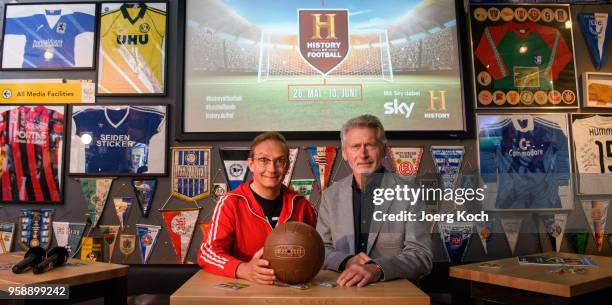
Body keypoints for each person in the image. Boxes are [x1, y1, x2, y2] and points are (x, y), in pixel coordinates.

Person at [317, 114, 432, 287]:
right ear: (345, 153)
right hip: (342, 292)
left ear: (384, 149)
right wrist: (347, 261)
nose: (362, 154)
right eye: (355, 146)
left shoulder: (410, 194)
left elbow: (421, 256)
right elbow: (320, 250)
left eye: (369, 145)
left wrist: (377, 268)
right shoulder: (331, 196)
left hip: (391, 294)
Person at [197, 132, 317, 284]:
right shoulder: (231, 202)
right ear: (251, 164)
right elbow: (208, 253)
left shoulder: (301, 204)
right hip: (247, 290)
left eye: (280, 161)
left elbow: (317, 250)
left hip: (291, 292)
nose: (272, 169)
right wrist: (243, 269)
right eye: (263, 160)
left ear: (287, 165)